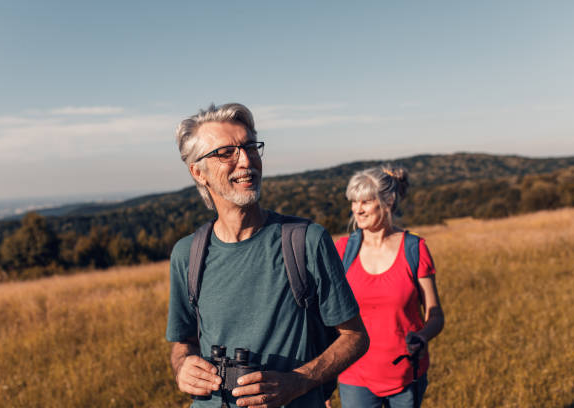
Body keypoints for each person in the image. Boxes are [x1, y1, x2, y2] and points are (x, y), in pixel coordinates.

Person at [166, 103, 369, 408]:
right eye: (226, 153)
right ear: (198, 172)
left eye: (250, 147)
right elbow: (184, 342)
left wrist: (299, 381)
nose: (246, 161)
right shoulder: (187, 254)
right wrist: (182, 365)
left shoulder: (306, 241)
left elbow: (355, 336)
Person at [335, 166, 444, 408]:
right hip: (354, 374)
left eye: (366, 201)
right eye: (354, 201)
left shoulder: (414, 249)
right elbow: (326, 317)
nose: (357, 209)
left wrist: (423, 337)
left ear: (388, 201)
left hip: (406, 373)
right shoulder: (342, 251)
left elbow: (435, 314)